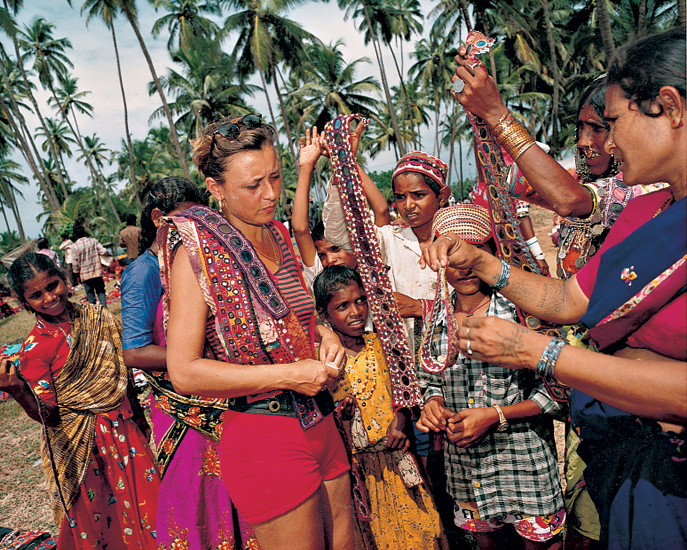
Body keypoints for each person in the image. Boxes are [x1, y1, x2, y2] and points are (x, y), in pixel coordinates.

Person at [424, 27, 686, 550]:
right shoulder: (652, 212)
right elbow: (569, 300)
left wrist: (536, 353)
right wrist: (484, 263)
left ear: (670, 107)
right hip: (630, 457)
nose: (605, 144)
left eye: (612, 123)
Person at [163, 114, 354, 550]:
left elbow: (305, 321)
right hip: (263, 436)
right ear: (215, 189)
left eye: (275, 177)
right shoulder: (197, 255)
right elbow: (185, 371)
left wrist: (327, 339)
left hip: (321, 423)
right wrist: (288, 375)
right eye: (253, 185)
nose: (270, 194)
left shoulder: (279, 235)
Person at [121, 177, 260, 549]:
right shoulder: (144, 272)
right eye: (183, 222)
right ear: (157, 219)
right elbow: (133, 351)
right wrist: (199, 358)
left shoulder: (195, 262)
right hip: (183, 406)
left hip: (217, 391)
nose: (192, 232)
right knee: (194, 494)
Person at [415, 205, 565, 550]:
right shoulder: (436, 315)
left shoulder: (521, 311)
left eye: (476, 252)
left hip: (523, 464)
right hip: (467, 469)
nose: (465, 267)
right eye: (453, 255)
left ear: (492, 254)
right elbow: (430, 378)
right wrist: (433, 403)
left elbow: (556, 392)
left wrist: (495, 416)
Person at [0, 253, 160, 549]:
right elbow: (49, 416)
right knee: (97, 517)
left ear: (64, 279)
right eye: (36, 295)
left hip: (123, 429)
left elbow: (120, 373)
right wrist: (20, 392)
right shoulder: (35, 349)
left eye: (53, 285)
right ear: (24, 303)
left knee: (147, 508)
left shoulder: (97, 317)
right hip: (81, 446)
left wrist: (138, 415)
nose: (49, 297)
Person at [314, 265, 448, 550]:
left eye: (360, 300)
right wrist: (340, 416)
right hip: (356, 473)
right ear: (324, 315)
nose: (356, 312)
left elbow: (408, 389)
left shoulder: (384, 344)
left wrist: (401, 418)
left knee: (418, 532)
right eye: (343, 306)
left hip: (399, 463)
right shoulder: (322, 361)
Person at [294, 125, 389, 288]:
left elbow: (381, 211)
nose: (330, 260)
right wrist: (306, 167)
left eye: (336, 249)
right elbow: (301, 230)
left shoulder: (372, 259)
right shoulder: (322, 277)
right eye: (322, 255)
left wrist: (345, 161)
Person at [70, 225, 109, 307]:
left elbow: (75, 264)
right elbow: (103, 251)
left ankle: (95, 315)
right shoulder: (93, 241)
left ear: (75, 235)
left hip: (85, 275)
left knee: (90, 295)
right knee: (101, 292)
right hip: (97, 272)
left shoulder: (74, 247)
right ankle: (105, 310)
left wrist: (77, 274)